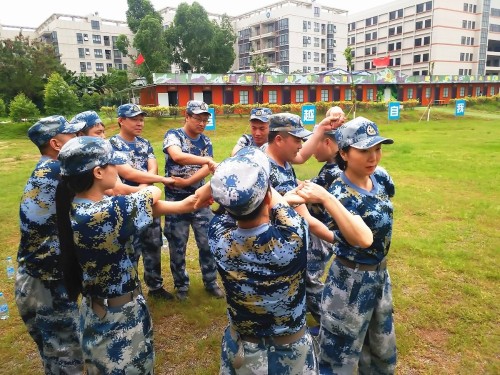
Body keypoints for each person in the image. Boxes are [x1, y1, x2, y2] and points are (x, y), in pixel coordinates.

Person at [55, 136, 200, 374]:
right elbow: (153, 192)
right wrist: (147, 188)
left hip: (102, 311)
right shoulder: (102, 213)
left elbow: (169, 206)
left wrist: (192, 201)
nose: (119, 169)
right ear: (98, 173)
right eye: (113, 164)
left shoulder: (80, 205)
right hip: (116, 323)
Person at [198, 147, 317, 374]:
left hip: (245, 348)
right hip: (291, 351)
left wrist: (219, 183)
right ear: (269, 196)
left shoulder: (217, 236)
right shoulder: (294, 234)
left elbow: (230, 205)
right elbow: (279, 204)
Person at [308, 116, 397, 374]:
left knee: (381, 346)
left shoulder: (381, 177)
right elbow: (360, 238)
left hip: (380, 275)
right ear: (344, 153)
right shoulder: (338, 196)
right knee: (339, 355)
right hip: (350, 283)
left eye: (378, 148)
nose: (374, 157)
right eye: (364, 151)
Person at [15, 115, 85, 374]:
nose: (78, 139)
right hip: (48, 284)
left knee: (55, 355)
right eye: (72, 135)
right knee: (67, 358)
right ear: (56, 143)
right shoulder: (58, 171)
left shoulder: (45, 168)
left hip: (33, 278)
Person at [109, 103, 175, 300]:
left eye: (141, 119)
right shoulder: (111, 145)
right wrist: (148, 183)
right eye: (134, 119)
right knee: (130, 249)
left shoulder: (144, 143)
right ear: (121, 120)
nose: (140, 123)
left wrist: (148, 181)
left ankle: (155, 287)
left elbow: (152, 166)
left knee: (153, 244)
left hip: (149, 201)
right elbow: (125, 172)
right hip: (126, 204)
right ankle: (131, 290)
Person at [162, 100, 223, 300]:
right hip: (175, 202)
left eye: (205, 120)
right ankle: (181, 286)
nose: (202, 123)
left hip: (200, 199)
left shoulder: (206, 141)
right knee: (177, 244)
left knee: (207, 242)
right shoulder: (174, 135)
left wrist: (186, 181)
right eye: (198, 118)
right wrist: (205, 160)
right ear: (186, 116)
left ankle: (210, 281)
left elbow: (207, 169)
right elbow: (177, 156)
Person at [306, 106, 346, 326]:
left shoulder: (333, 173)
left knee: (309, 278)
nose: (311, 149)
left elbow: (308, 192)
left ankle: (330, 324)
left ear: (328, 143)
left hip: (323, 234)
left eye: (316, 141)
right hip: (321, 230)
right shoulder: (332, 167)